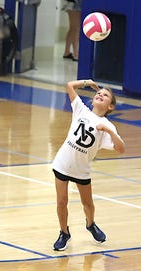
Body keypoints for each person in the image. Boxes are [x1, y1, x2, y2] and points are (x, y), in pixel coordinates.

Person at [51, 78, 125, 250]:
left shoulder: (107, 126)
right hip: (62, 163)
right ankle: (64, 232)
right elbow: (69, 85)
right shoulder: (81, 110)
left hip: (81, 170)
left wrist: (108, 131)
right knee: (62, 202)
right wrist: (87, 82)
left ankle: (90, 224)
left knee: (88, 204)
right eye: (98, 93)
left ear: (110, 106)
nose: (100, 94)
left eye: (105, 95)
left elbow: (121, 148)